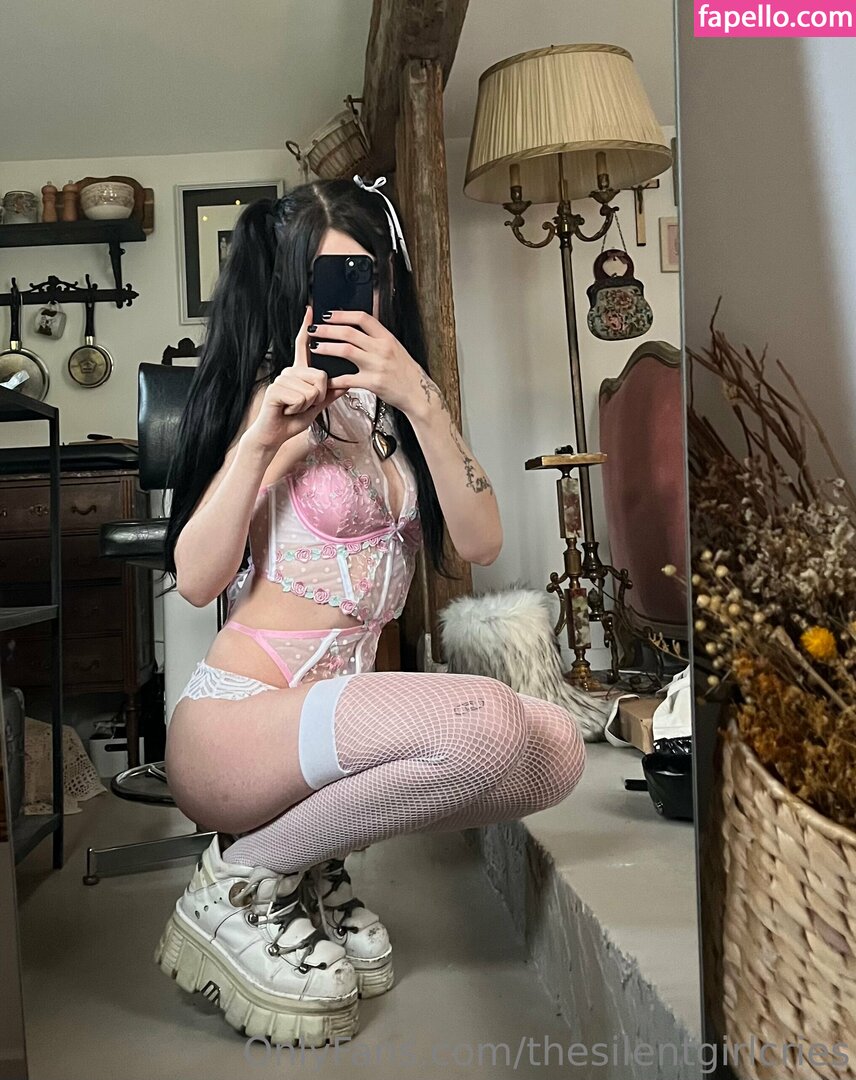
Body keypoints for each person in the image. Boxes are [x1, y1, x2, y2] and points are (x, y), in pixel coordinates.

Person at [154, 176, 587, 1047]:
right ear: (292, 292)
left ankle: (305, 863)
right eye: (328, 282)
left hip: (331, 726)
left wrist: (422, 399)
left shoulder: (397, 415)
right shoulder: (269, 404)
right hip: (238, 725)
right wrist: (266, 442)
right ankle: (235, 880)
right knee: (486, 721)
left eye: (367, 279)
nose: (354, 305)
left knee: (556, 751)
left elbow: (482, 541)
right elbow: (197, 579)